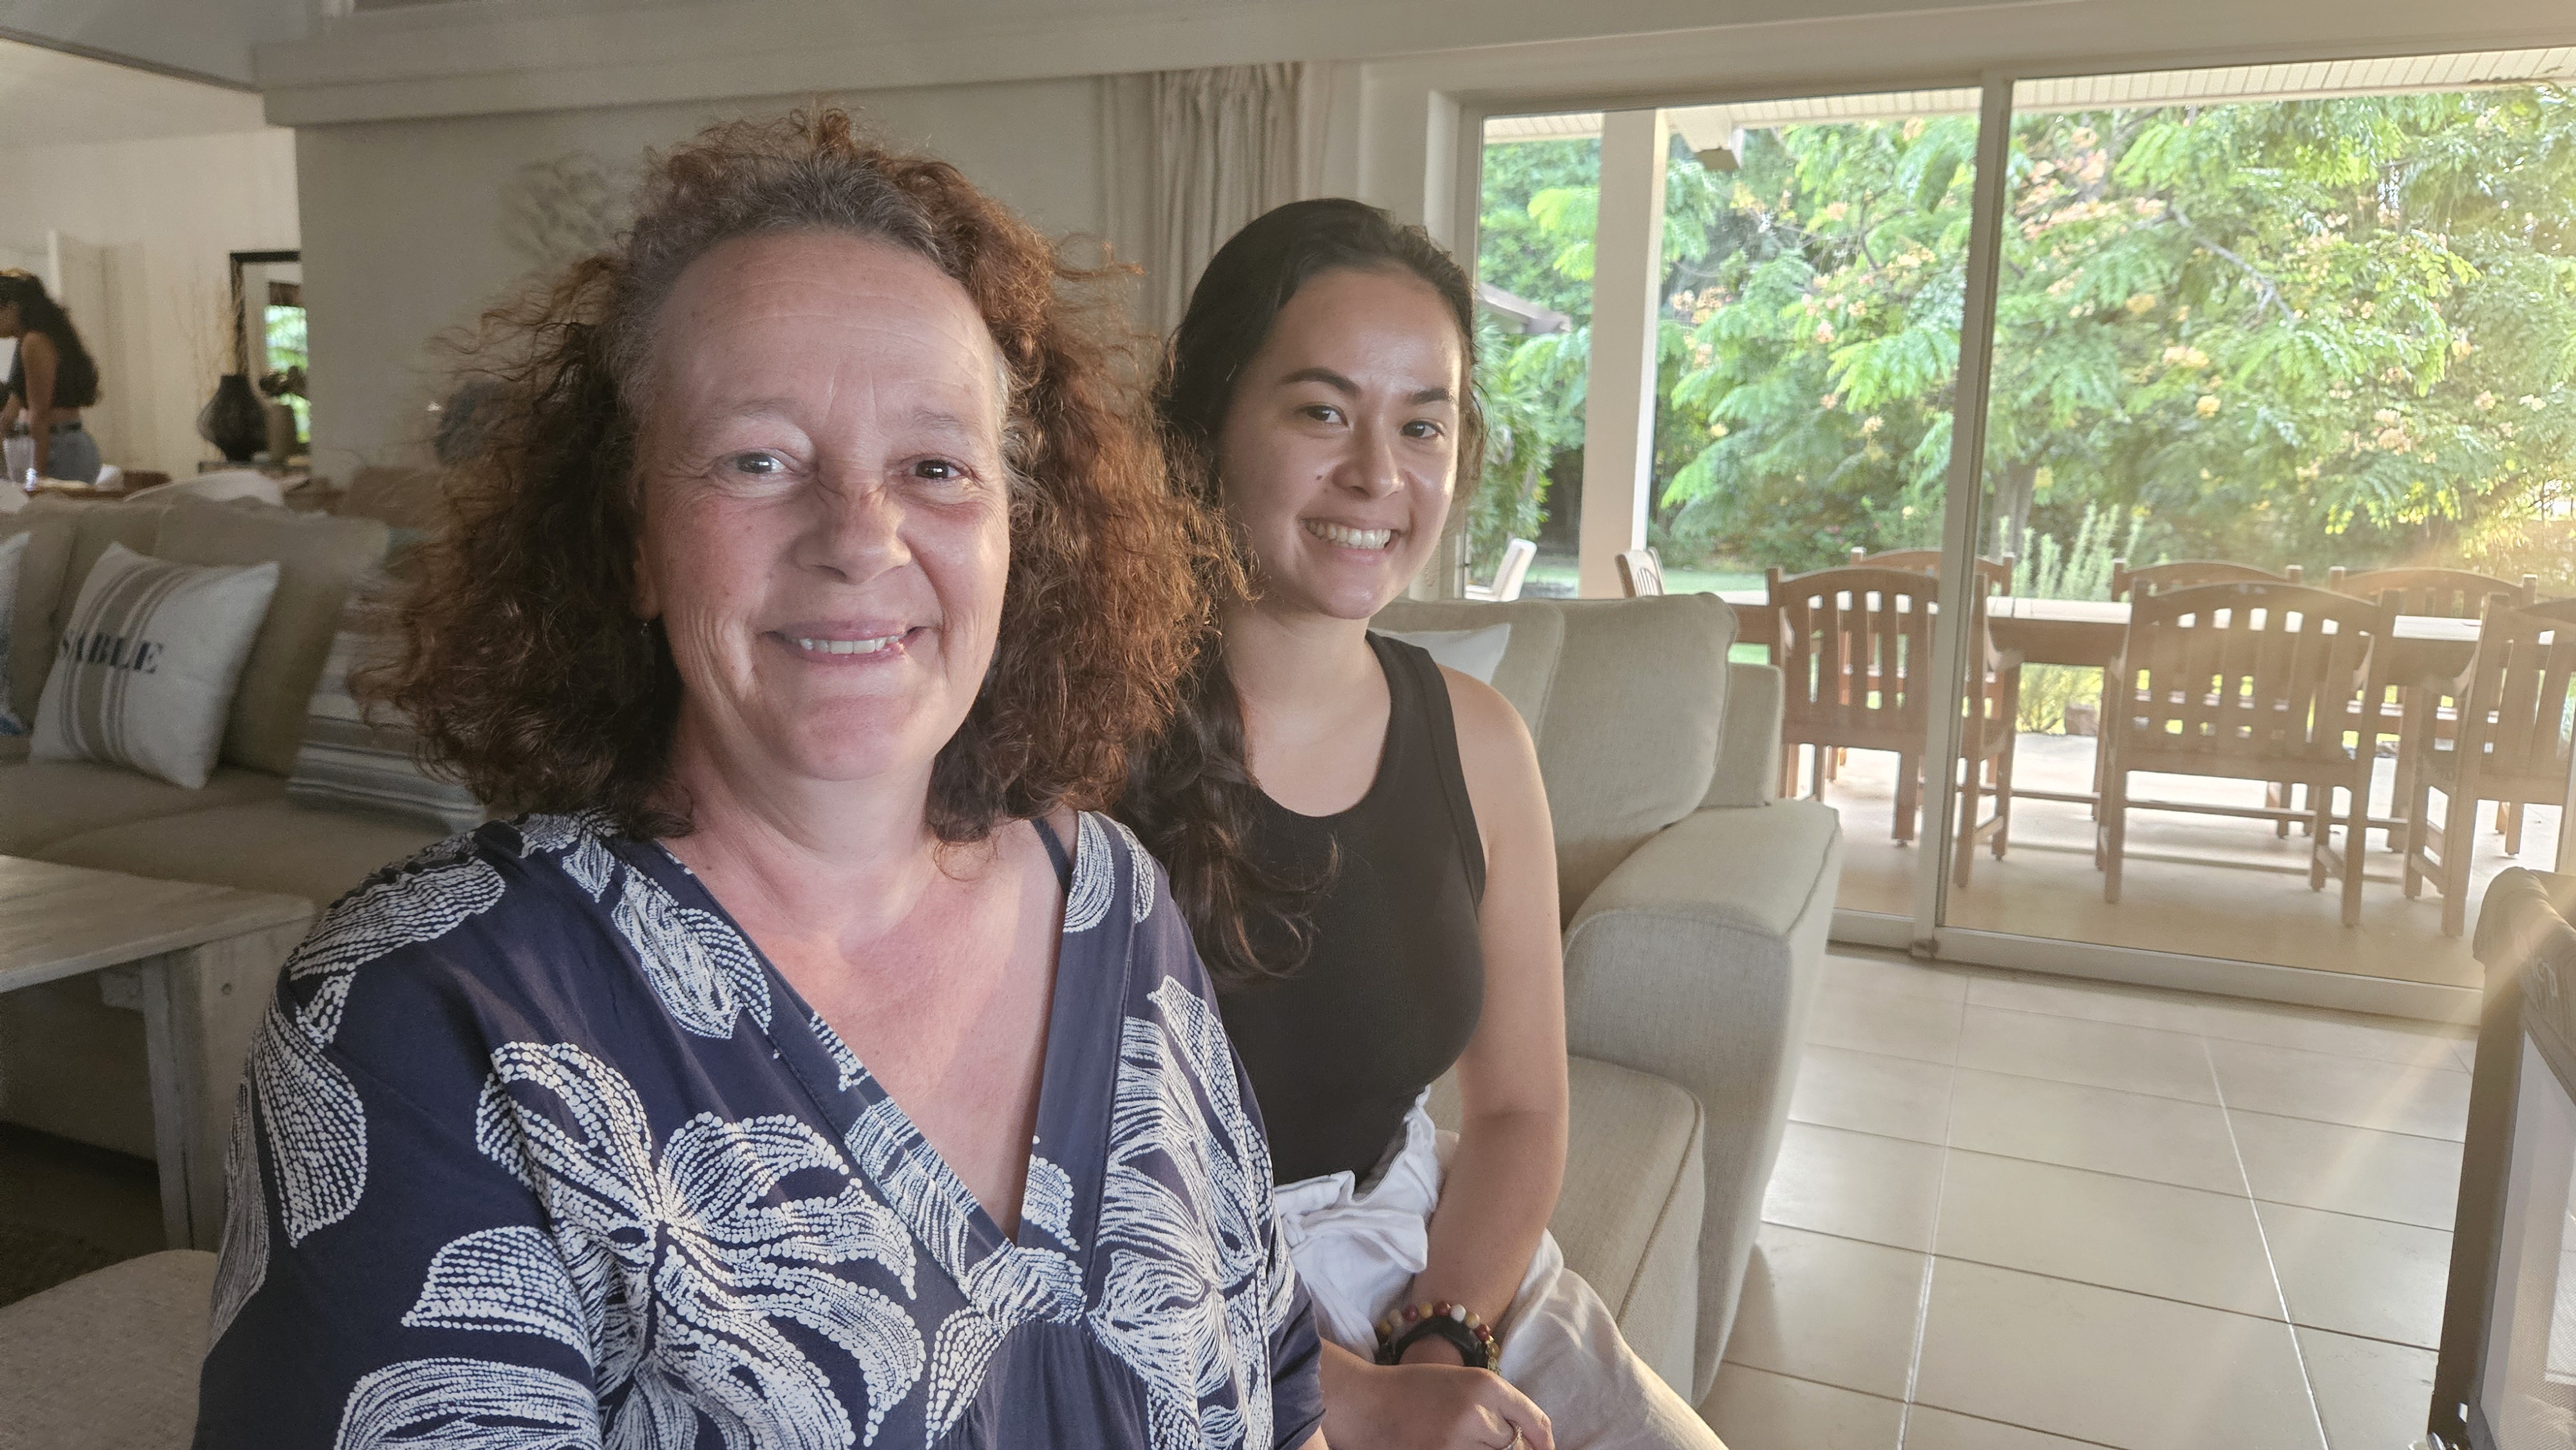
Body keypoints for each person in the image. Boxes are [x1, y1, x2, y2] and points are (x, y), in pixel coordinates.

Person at [195, 110, 1328, 1450]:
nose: (860, 534)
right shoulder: (428, 1017)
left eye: (934, 466)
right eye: (757, 459)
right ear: (631, 537)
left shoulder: (1115, 901)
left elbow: (1280, 1383)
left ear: (1024, 534)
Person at [1120, 199, 1725, 1450]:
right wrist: (1350, 1392)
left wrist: (1439, 1334)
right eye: (1320, 410)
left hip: (1417, 1243)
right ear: (1207, 428)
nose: (1376, 476)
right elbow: (1032, 1185)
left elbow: (1515, 1112)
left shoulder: (1479, 741)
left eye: (1423, 423)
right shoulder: (1077, 739)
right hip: (1165, 1302)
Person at [0, 269, 104, 483]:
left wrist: (36, 475)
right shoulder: (32, 340)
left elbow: (41, 414)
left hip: (59, 448)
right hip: (63, 443)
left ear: (10, 309)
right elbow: (14, 406)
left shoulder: (34, 341)